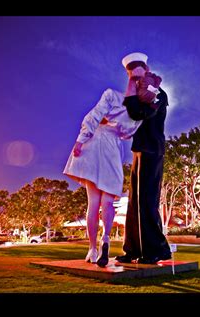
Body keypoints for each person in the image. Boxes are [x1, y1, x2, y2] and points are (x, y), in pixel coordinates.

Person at [63, 52, 163, 267]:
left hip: (98, 143)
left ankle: (92, 249)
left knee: (94, 202)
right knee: (110, 201)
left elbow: (93, 116)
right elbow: (128, 132)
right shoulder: (136, 108)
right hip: (113, 148)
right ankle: (109, 239)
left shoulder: (117, 96)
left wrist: (80, 140)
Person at [115, 52, 172, 264]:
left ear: (146, 71)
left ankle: (156, 250)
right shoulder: (138, 94)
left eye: (137, 77)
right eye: (131, 77)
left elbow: (139, 113)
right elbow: (129, 114)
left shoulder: (158, 93)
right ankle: (132, 250)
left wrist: (131, 89)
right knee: (133, 203)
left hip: (152, 150)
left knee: (147, 201)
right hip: (139, 150)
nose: (135, 81)